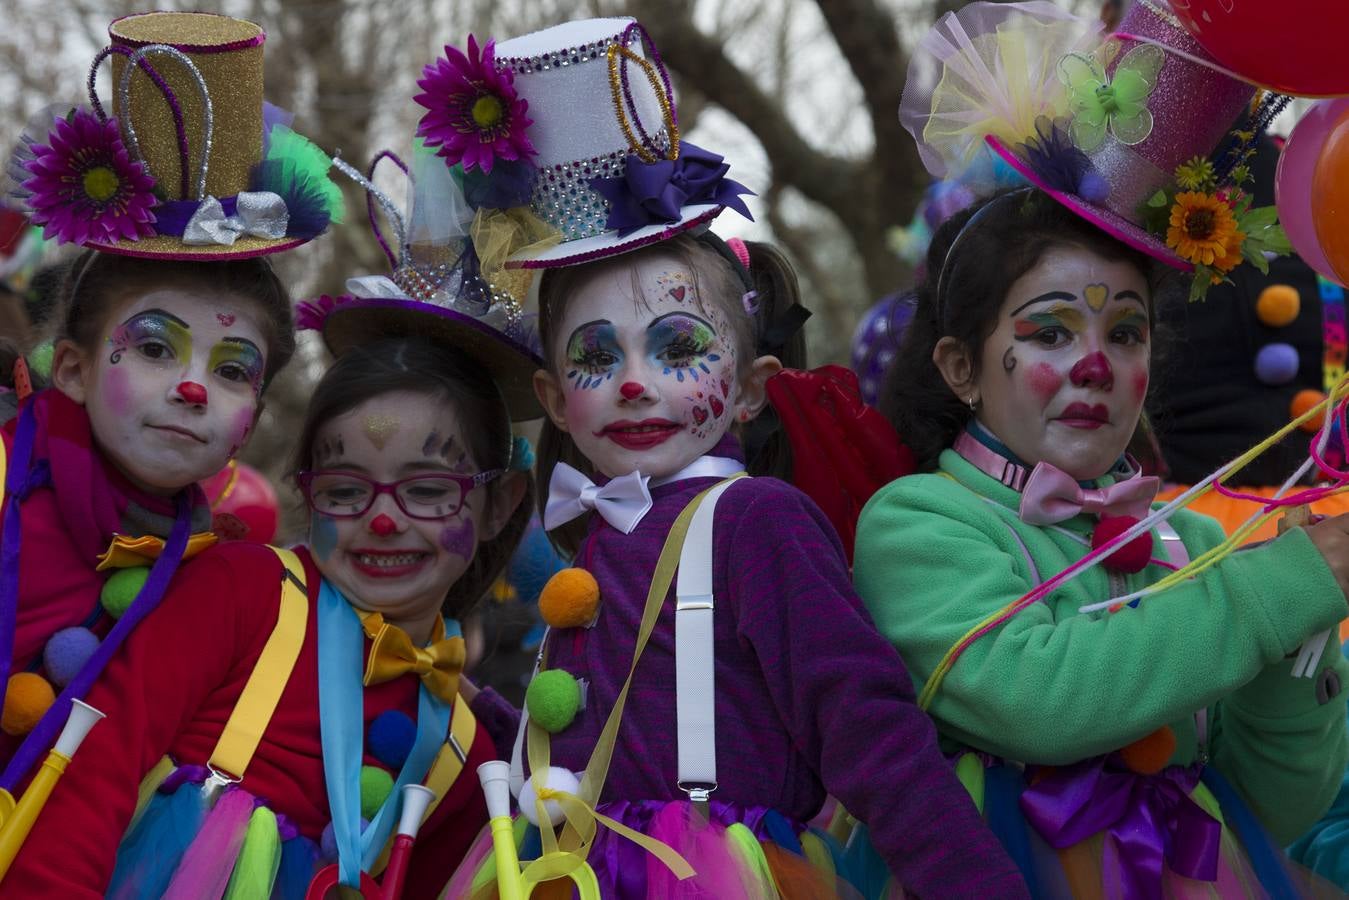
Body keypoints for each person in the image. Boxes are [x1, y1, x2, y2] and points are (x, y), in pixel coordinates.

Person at [436, 17, 1028, 899]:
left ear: (750, 390)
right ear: (557, 398)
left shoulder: (759, 520)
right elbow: (606, 733)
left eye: (677, 347)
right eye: (597, 359)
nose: (634, 384)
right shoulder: (598, 536)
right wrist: (473, 709)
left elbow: (865, 727)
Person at [857, 2, 1349, 895]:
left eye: (1124, 334)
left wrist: (1300, 652)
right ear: (960, 366)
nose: (1092, 363)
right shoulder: (915, 525)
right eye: (1047, 332)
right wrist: (1273, 595)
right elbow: (1040, 700)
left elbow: (1269, 807)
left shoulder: (1195, 543)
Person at [0, 8, 340, 788]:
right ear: (76, 370)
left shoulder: (215, 577)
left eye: (231, 370)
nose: (191, 388)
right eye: (153, 348)